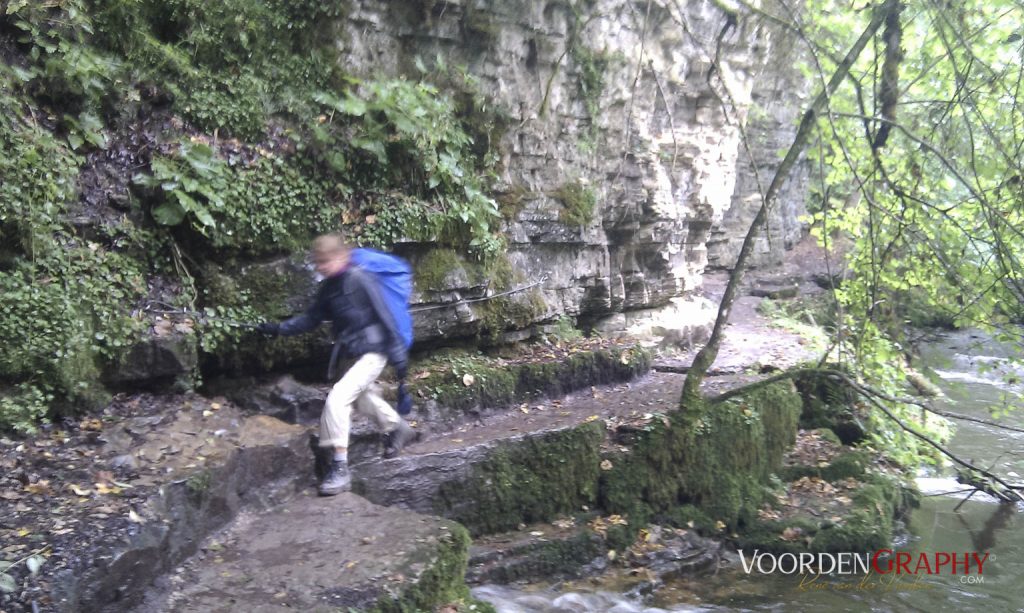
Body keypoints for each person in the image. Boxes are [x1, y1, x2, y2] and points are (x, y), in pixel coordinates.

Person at [257, 234, 417, 496]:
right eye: (317, 262)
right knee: (362, 399)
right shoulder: (328, 289)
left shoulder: (361, 280)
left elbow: (385, 315)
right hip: (352, 354)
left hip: (374, 353)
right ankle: (396, 427)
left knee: (337, 399)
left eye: (325, 261)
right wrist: (277, 329)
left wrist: (398, 356)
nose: (320, 267)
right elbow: (310, 320)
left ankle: (340, 468)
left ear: (342, 257)